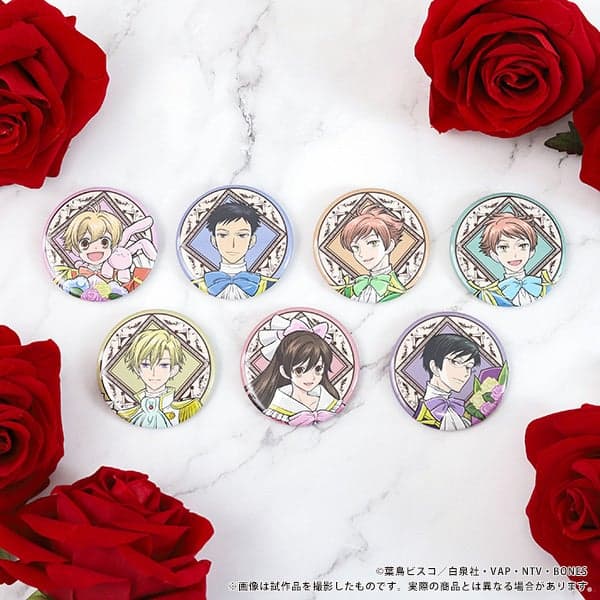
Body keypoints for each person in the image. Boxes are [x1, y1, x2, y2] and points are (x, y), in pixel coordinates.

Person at [251, 327, 343, 425]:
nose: (310, 378)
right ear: (284, 371)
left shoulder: (331, 403)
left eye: (318, 369)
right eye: (299, 370)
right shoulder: (276, 411)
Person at [119, 327, 200, 428]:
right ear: (137, 369)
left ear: (173, 370)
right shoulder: (127, 414)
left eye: (163, 365)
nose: (154, 373)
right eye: (145, 365)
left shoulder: (188, 409)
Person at [195, 202, 276, 299]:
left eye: (242, 235)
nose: (232, 244)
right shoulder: (197, 286)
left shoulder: (270, 285)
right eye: (223, 235)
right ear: (214, 240)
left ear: (252, 240)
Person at [473, 213, 552, 306]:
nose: (514, 255)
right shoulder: (489, 296)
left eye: (522, 246)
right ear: (494, 255)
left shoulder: (545, 287)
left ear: (531, 251)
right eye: (503, 247)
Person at [336, 205, 406, 303]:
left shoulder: (397, 291)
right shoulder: (352, 289)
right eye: (356, 247)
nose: (362, 253)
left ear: (390, 245)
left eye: (372, 243)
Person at [415, 334, 481, 431]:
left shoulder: (462, 415)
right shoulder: (422, 413)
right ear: (434, 367)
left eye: (469, 367)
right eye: (456, 362)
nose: (466, 373)